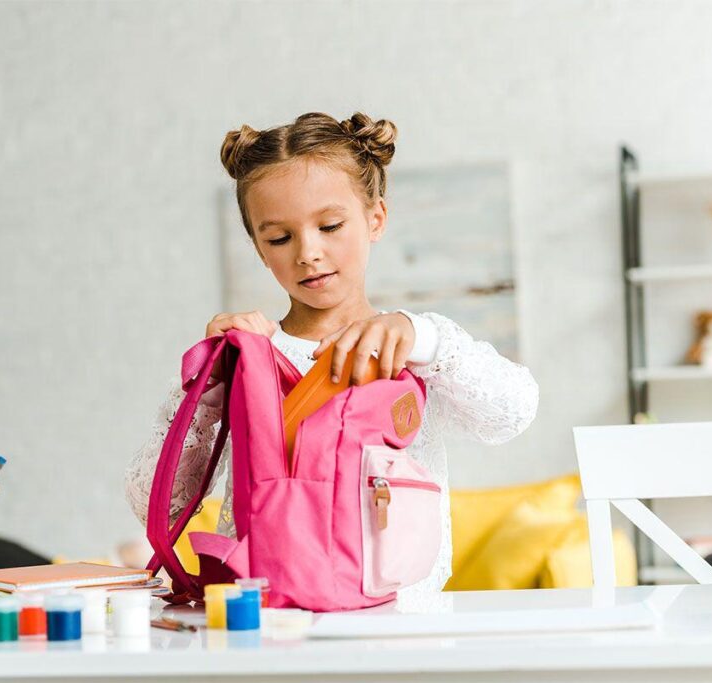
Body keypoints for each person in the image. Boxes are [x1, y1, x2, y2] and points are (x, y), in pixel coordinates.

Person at [124, 112, 538, 597]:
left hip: (400, 615)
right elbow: (152, 503)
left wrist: (425, 337)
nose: (308, 252)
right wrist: (208, 391)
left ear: (375, 218)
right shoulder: (249, 357)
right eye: (279, 238)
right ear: (259, 247)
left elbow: (513, 413)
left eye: (330, 225)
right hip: (267, 614)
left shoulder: (413, 348)